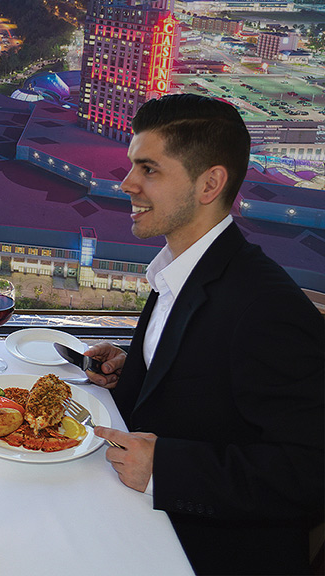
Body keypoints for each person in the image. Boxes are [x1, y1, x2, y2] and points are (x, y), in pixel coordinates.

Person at [83, 94, 324, 575]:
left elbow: (310, 471)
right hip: (139, 515)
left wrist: (168, 471)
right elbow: (212, 379)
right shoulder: (182, 269)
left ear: (210, 183)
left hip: (204, 551)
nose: (127, 184)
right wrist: (142, 367)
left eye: (149, 169)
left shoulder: (268, 307)